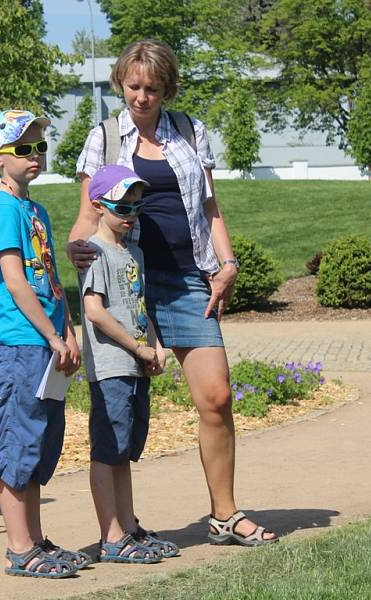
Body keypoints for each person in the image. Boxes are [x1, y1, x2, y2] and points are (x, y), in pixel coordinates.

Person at [68, 39, 278, 546]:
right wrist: (77, 247)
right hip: (126, 283)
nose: (141, 97)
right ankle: (123, 529)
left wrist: (227, 264)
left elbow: (211, 207)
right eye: (134, 86)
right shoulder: (104, 138)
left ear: (167, 88)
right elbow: (89, 212)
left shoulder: (189, 130)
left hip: (188, 279)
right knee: (124, 402)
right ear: (122, 83)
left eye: (152, 88)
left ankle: (224, 515)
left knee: (217, 396)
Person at [0, 109, 88, 578]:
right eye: (23, 148)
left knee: (41, 441)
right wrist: (47, 332)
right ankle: (18, 548)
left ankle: (36, 539)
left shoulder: (35, 210)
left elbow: (50, 279)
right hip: (18, 341)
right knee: (18, 440)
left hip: (46, 342)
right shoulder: (0, 208)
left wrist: (66, 331)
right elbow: (15, 281)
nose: (35, 155)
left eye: (39, 146)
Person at [80, 164, 179, 563]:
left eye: (136, 206)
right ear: (99, 205)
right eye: (122, 207)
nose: (130, 214)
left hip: (135, 364)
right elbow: (95, 312)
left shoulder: (132, 251)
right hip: (111, 366)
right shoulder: (94, 251)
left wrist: (155, 347)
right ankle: (111, 536)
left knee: (124, 450)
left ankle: (129, 526)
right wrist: (137, 349)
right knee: (108, 451)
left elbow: (139, 306)